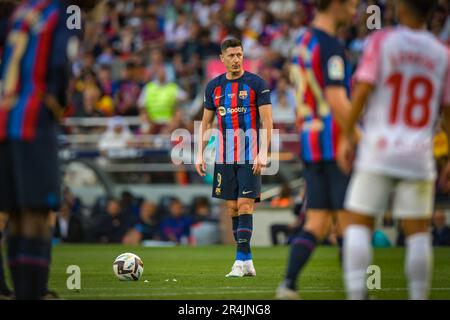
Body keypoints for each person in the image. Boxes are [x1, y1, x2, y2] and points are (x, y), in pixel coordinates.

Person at [337, 0, 450, 300]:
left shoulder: (382, 40)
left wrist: (347, 136)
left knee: (358, 225)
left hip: (379, 148)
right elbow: (448, 111)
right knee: (417, 234)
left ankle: (357, 293)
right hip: (419, 154)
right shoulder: (442, 53)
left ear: (400, 7)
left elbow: (361, 92)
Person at [0, 0, 99, 300]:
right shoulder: (68, 12)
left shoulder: (23, 12)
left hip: (5, 118)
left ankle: (22, 292)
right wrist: (57, 105)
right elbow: (60, 64)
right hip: (33, 122)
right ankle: (33, 292)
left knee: (14, 212)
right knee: (37, 214)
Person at [276, 0, 358, 299]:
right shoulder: (330, 46)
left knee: (317, 222)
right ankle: (358, 292)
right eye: (351, 4)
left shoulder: (302, 42)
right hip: (335, 145)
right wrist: (360, 137)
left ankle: (288, 285)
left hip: (310, 144)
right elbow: (337, 101)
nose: (355, 10)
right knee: (350, 226)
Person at [195, 38, 273, 277]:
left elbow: (267, 121)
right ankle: (247, 261)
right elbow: (206, 122)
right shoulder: (214, 87)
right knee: (232, 208)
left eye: (239, 54)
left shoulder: (256, 84)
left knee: (245, 204)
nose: (236, 59)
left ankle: (238, 262)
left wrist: (263, 151)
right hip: (224, 156)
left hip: (250, 155)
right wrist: (200, 152)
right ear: (222, 59)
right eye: (231, 55)